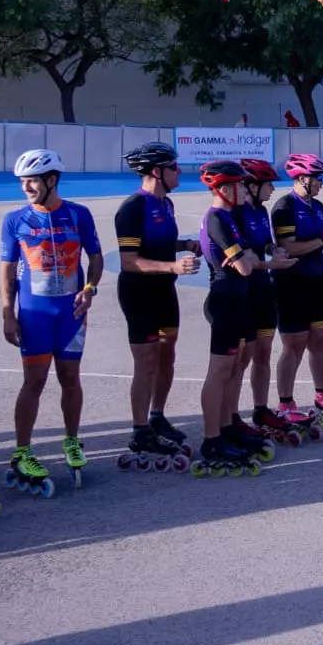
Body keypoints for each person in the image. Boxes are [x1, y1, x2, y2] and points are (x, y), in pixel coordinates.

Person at [0, 149, 102, 492]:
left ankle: (72, 440)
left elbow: (96, 258)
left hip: (71, 313)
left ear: (51, 180)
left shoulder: (78, 214)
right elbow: (8, 270)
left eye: (32, 181)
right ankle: (22, 450)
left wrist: (89, 288)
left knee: (70, 378)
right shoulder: (15, 219)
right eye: (23, 181)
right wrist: (7, 313)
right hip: (35, 314)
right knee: (34, 381)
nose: (26, 187)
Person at [113, 141, 200, 468]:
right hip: (139, 292)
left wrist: (185, 244)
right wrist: (174, 267)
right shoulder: (133, 208)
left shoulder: (167, 204)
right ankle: (139, 430)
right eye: (173, 167)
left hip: (165, 290)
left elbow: (161, 242)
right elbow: (130, 261)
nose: (179, 171)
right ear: (156, 171)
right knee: (147, 361)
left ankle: (157, 417)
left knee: (168, 355)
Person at [191, 160, 260, 476]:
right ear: (224, 188)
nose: (245, 189)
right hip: (224, 300)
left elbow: (250, 261)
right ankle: (211, 439)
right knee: (219, 370)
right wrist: (247, 258)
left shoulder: (230, 218)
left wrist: (248, 258)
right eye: (240, 184)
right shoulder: (217, 219)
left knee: (233, 366)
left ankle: (226, 426)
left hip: (239, 299)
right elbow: (246, 265)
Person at [271, 152, 323, 434]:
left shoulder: (318, 206)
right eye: (318, 178)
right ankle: (285, 403)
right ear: (302, 178)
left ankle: (322, 394)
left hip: (317, 281)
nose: (322, 183)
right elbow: (288, 248)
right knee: (294, 345)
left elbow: (316, 245)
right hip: (291, 285)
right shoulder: (284, 207)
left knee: (319, 340)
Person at [234, 159, 295, 454]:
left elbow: (264, 243)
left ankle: (260, 408)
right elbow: (245, 256)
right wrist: (273, 261)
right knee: (240, 359)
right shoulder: (237, 213)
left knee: (263, 353)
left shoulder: (260, 210)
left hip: (263, 289)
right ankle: (230, 416)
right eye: (268, 183)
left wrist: (275, 249)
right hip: (243, 293)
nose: (273, 188)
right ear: (253, 186)